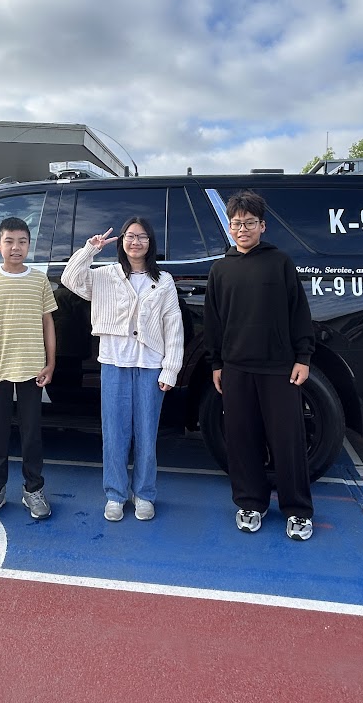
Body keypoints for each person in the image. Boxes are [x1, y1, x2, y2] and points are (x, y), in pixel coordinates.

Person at [204, 190, 315, 541]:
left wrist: (303, 357)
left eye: (250, 223)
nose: (243, 229)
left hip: (279, 368)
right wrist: (217, 362)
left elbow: (299, 312)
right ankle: (251, 502)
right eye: (237, 223)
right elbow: (213, 322)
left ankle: (297, 510)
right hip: (235, 368)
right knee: (242, 439)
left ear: (262, 226)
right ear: (229, 226)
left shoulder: (280, 262)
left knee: (288, 441)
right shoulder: (220, 269)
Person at [61, 217, 184, 522]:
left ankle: (144, 493)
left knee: (146, 434)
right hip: (114, 363)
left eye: (142, 237)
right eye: (130, 236)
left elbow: (174, 326)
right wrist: (90, 249)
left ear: (150, 243)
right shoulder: (106, 275)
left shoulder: (164, 280)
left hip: (150, 366)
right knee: (114, 433)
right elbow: (70, 279)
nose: (135, 242)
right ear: (122, 241)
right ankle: (115, 494)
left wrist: (170, 369)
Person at [0, 217, 57, 521]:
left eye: (22, 241)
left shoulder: (39, 280)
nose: (15, 247)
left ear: (29, 245)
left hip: (33, 369)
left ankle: (34, 489)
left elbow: (48, 324)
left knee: (32, 434)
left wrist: (50, 363)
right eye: (9, 241)